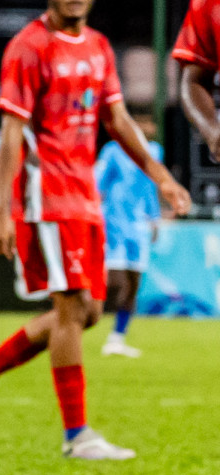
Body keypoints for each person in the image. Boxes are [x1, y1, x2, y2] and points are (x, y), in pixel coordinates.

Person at [0, 0, 188, 460]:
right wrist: (0, 208)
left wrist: (161, 177)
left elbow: (118, 121)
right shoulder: (29, 47)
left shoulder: (98, 47)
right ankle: (77, 435)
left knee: (87, 313)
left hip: (84, 196)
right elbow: (11, 135)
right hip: (45, 196)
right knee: (72, 308)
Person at [94, 112, 163, 358]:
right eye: (142, 121)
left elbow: (151, 186)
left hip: (139, 226)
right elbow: (97, 184)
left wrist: (154, 219)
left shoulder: (154, 152)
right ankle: (79, 312)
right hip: (114, 222)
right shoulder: (113, 151)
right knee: (115, 281)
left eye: (149, 121)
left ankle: (117, 338)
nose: (148, 126)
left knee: (133, 284)